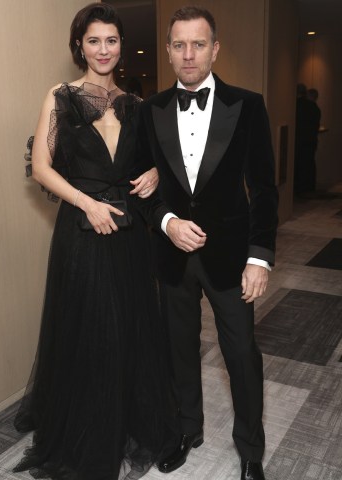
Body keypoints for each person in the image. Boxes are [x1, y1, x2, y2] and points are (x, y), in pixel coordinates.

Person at [13, 4, 178, 480]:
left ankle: (123, 418)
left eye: (111, 40)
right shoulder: (59, 96)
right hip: (82, 234)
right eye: (93, 40)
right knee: (88, 330)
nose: (103, 49)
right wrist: (86, 204)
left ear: (121, 46)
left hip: (127, 234)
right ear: (79, 46)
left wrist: (150, 172)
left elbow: (148, 163)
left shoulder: (135, 102)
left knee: (128, 328)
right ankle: (86, 432)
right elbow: (42, 168)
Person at [135, 6, 278, 480]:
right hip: (173, 258)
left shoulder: (248, 104)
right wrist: (168, 221)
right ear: (169, 51)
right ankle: (185, 430)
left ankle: (251, 450)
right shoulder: (150, 110)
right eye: (179, 44)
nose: (189, 54)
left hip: (232, 257)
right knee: (178, 348)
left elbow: (264, 188)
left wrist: (260, 257)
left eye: (199, 44)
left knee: (241, 354)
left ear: (215, 49)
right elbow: (141, 190)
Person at [294, 84, 321, 194]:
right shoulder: (314, 107)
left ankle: (299, 188)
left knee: (299, 163)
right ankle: (309, 187)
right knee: (309, 163)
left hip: (299, 140)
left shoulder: (296, 105)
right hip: (311, 140)